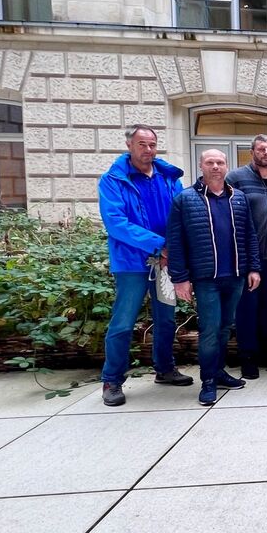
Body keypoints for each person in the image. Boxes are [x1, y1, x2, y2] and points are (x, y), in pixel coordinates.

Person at [97, 125, 190, 407]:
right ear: (129, 145)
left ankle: (164, 369)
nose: (148, 150)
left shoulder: (168, 177)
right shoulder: (113, 180)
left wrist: (173, 248)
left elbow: (182, 214)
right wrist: (158, 245)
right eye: (142, 144)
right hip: (131, 263)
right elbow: (116, 224)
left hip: (166, 261)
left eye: (152, 144)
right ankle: (112, 379)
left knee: (166, 318)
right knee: (123, 322)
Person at [167, 149, 261, 406]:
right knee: (209, 329)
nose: (216, 167)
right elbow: (176, 242)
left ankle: (219, 372)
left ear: (227, 165)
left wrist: (254, 268)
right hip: (206, 277)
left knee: (224, 328)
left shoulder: (238, 198)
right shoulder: (185, 199)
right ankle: (208, 380)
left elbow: (249, 236)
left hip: (236, 275)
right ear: (201, 165)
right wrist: (180, 278)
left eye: (220, 162)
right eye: (210, 162)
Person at [226, 135, 267, 379]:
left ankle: (265, 351)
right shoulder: (236, 178)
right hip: (246, 256)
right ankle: (247, 357)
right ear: (252, 151)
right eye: (261, 149)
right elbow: (230, 216)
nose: (265, 153)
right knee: (247, 307)